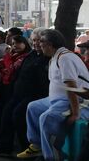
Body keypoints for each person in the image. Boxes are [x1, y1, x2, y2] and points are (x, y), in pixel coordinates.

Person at [16, 29, 89, 160]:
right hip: (56, 99)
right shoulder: (54, 57)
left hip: (76, 101)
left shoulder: (65, 58)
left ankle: (52, 156)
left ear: (50, 44)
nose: (38, 45)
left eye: (41, 42)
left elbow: (71, 87)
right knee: (32, 107)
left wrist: (75, 112)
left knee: (47, 118)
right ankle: (37, 146)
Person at [0, 28, 49, 157]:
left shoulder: (46, 58)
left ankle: (26, 149)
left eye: (39, 41)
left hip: (33, 96)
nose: (37, 43)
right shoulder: (32, 55)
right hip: (17, 93)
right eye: (34, 40)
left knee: (18, 116)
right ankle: (4, 146)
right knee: (6, 115)